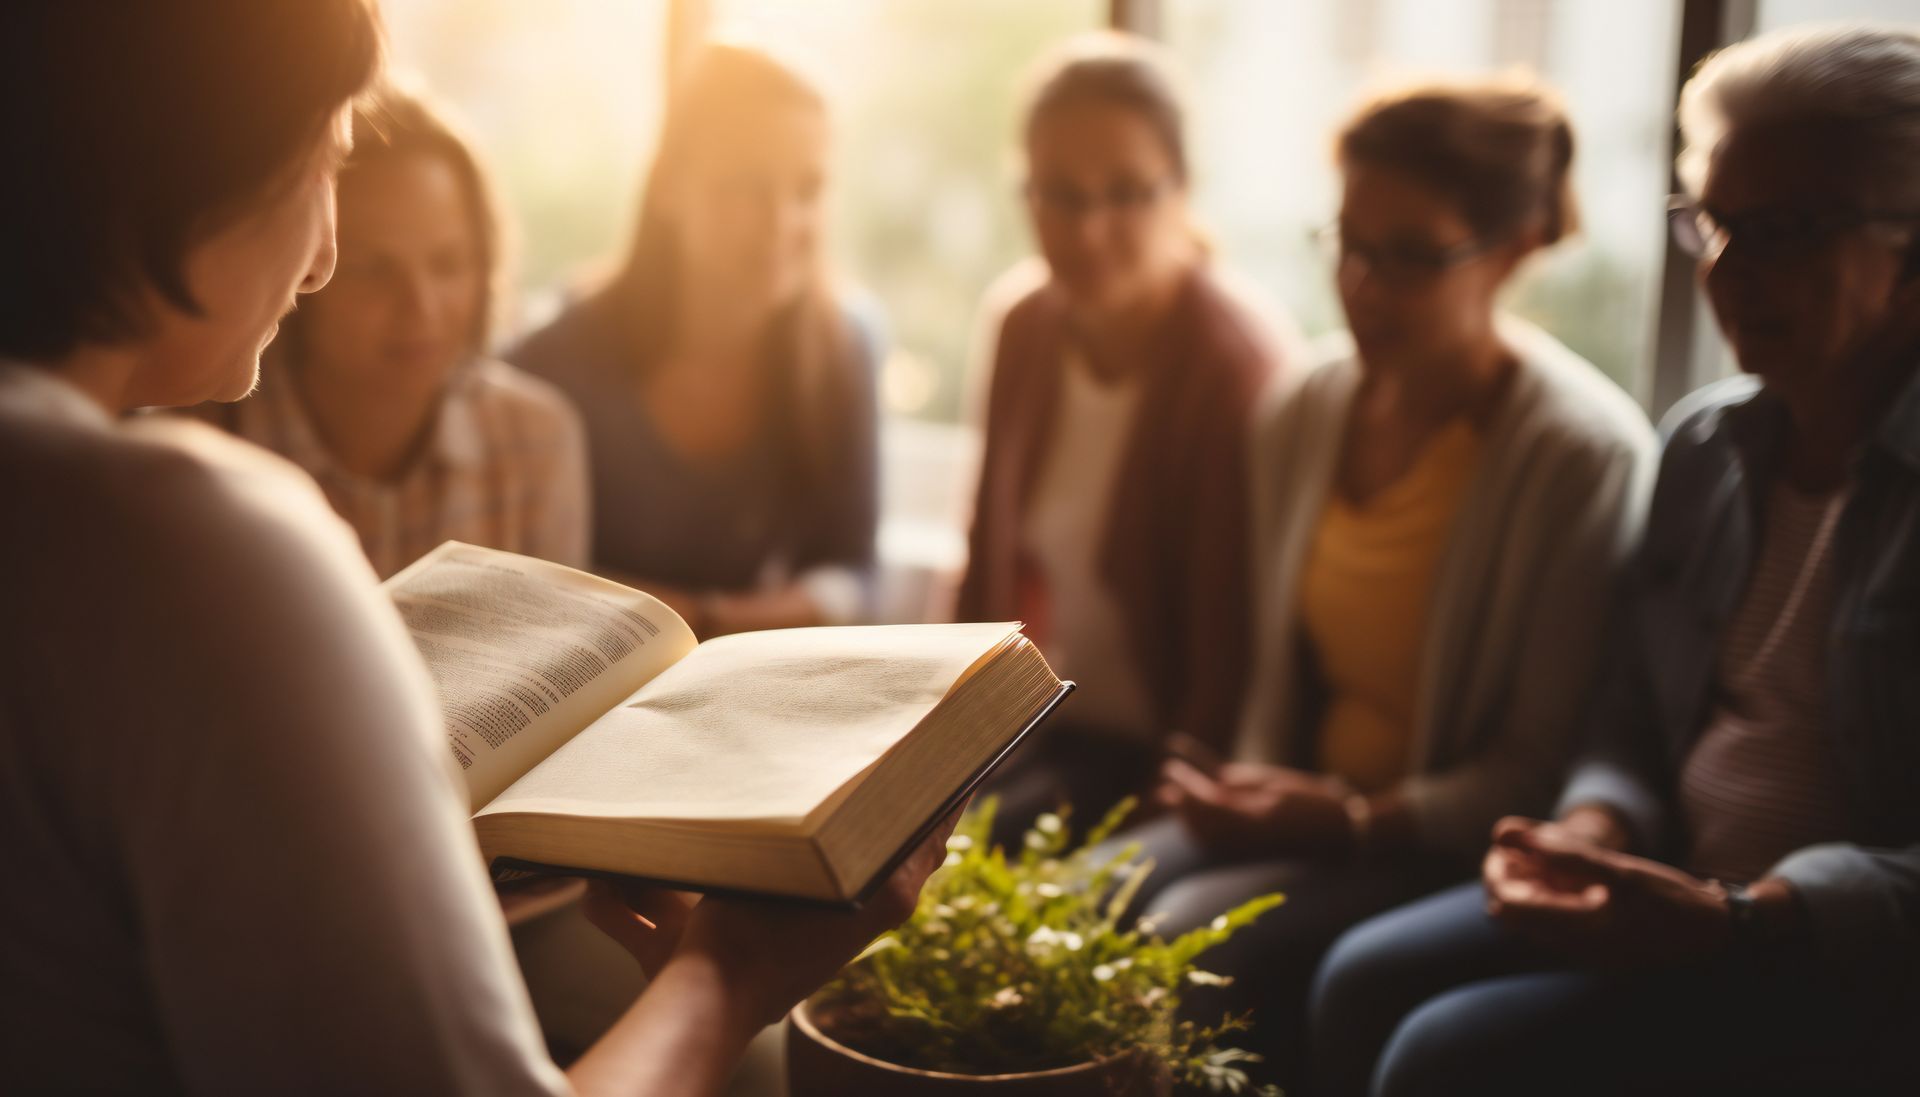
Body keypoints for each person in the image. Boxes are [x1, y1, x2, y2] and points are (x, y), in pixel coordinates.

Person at [0, 5, 945, 1094]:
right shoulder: (202, 542)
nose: (322, 262)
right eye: (329, 163)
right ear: (201, 165)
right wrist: (730, 968)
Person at [1310, 24, 1920, 1097]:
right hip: (1670, 878)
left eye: (1786, 230)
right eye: (1716, 225)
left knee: (1442, 1054)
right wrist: (1591, 827)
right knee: (1359, 975)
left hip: (1831, 956)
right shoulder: (1705, 448)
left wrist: (1746, 914)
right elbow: (1628, 715)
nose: (1730, 270)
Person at [1120, 77, 1656, 1085]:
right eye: (1348, 244)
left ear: (1513, 247)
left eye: (1408, 256)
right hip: (1304, 809)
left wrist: (1345, 818)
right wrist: (1248, 787)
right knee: (1084, 895)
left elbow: (1535, 769)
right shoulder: (1305, 408)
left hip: (1437, 846)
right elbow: (1275, 692)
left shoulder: (1582, 457)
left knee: (1183, 943)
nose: (1361, 284)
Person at [958, 32, 1296, 841]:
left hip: (1157, 759)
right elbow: (984, 565)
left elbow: (1235, 646)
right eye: (1059, 195)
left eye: (1125, 194)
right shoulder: (1022, 324)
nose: (1088, 229)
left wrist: (1166, 804)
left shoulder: (1233, 363)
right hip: (1036, 723)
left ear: (1183, 191)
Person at [509, 44, 878, 638]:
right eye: (747, 187)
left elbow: (853, 572)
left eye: (807, 190)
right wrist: (711, 623)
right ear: (669, 190)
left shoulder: (844, 346)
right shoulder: (555, 360)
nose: (782, 222)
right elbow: (531, 577)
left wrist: (710, 623)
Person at [195, 85, 589, 579]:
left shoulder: (535, 440)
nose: (420, 308)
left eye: (448, 265)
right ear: (305, 262)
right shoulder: (205, 438)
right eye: (373, 269)